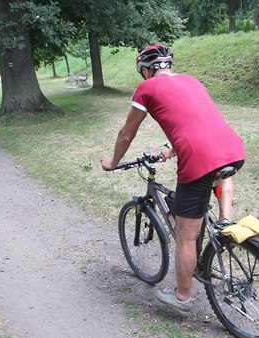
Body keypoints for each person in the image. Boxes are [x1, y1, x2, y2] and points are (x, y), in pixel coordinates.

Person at [101, 44, 245, 314]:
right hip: (232, 149)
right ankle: (225, 221)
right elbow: (196, 120)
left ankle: (182, 296)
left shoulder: (146, 88)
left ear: (146, 70)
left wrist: (114, 162)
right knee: (218, 175)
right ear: (168, 64)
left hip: (198, 158)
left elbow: (126, 133)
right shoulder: (192, 81)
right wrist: (171, 148)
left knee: (186, 237)